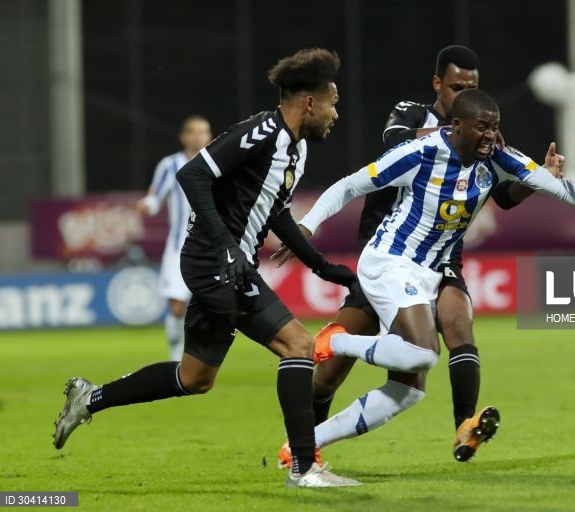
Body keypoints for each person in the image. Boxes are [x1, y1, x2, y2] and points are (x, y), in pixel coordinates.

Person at [279, 88, 575, 465]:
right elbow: (350, 185)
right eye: (482, 127)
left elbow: (565, 190)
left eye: (494, 126)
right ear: (457, 126)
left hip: (433, 271)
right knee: (423, 352)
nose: (490, 135)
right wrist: (308, 225)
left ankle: (306, 445)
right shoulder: (421, 153)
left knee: (406, 392)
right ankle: (339, 341)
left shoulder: (498, 158)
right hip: (390, 262)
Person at [52, 48, 362, 488]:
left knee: (195, 378)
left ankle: (90, 398)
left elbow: (275, 213)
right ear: (309, 101)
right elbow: (193, 175)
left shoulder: (296, 148)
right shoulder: (262, 132)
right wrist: (226, 246)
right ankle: (304, 466)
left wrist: (321, 266)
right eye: (332, 103)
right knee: (298, 345)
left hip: (229, 265)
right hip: (213, 262)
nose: (335, 113)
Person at [276, 45, 538, 468]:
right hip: (388, 257)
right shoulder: (414, 116)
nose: (464, 93)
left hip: (441, 260)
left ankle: (463, 425)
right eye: (456, 87)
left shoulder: (479, 137)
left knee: (451, 341)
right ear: (438, 84)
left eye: (471, 88)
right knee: (330, 373)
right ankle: (305, 445)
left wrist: (536, 176)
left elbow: (503, 196)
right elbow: (391, 144)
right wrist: (456, 133)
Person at [137, 115, 212, 361]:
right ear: (183, 137)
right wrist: (147, 205)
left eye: (203, 132)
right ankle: (174, 357)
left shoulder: (219, 163)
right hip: (180, 245)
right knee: (177, 305)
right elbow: (154, 197)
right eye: (193, 132)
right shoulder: (170, 165)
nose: (198, 136)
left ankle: (206, 355)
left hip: (214, 245)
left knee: (214, 305)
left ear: (209, 136)